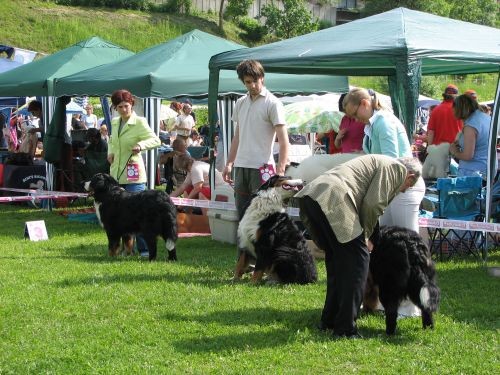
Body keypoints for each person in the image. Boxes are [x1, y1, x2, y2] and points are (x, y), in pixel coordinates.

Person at [295, 154, 422, 338]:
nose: (401, 191)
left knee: (338, 261)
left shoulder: (380, 162)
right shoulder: (397, 169)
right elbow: (373, 204)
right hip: (333, 198)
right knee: (359, 261)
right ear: (410, 176)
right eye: (406, 188)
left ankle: (329, 320)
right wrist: (365, 236)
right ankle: (345, 328)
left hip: (314, 195)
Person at [222, 60, 289, 274]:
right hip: (241, 167)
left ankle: (267, 264)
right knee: (243, 219)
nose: (251, 85)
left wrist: (280, 169)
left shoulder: (273, 103)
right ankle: (244, 264)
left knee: (264, 220)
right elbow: (237, 137)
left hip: (264, 170)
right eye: (247, 82)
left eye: (255, 81)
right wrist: (229, 162)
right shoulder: (240, 102)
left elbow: (283, 140)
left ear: (263, 78)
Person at [343, 88, 425, 233]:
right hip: (391, 188)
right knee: (386, 239)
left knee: (409, 240)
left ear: (364, 103)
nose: (355, 120)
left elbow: (391, 161)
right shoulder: (372, 125)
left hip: (405, 186)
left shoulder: (383, 122)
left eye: (355, 114)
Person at [108, 89, 161, 257]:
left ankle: (145, 250)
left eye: (127, 106)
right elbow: (111, 140)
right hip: (116, 173)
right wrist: (110, 152)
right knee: (119, 215)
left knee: (140, 213)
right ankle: (125, 249)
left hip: (134, 175)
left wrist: (141, 146)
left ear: (132, 104)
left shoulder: (140, 122)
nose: (124, 109)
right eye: (120, 107)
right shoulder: (115, 122)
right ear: (115, 108)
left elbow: (156, 140)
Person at [449, 94, 490, 178]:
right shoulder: (486, 118)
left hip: (472, 172)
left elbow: (467, 155)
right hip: (487, 167)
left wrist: (454, 151)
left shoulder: (471, 125)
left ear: (459, 108)